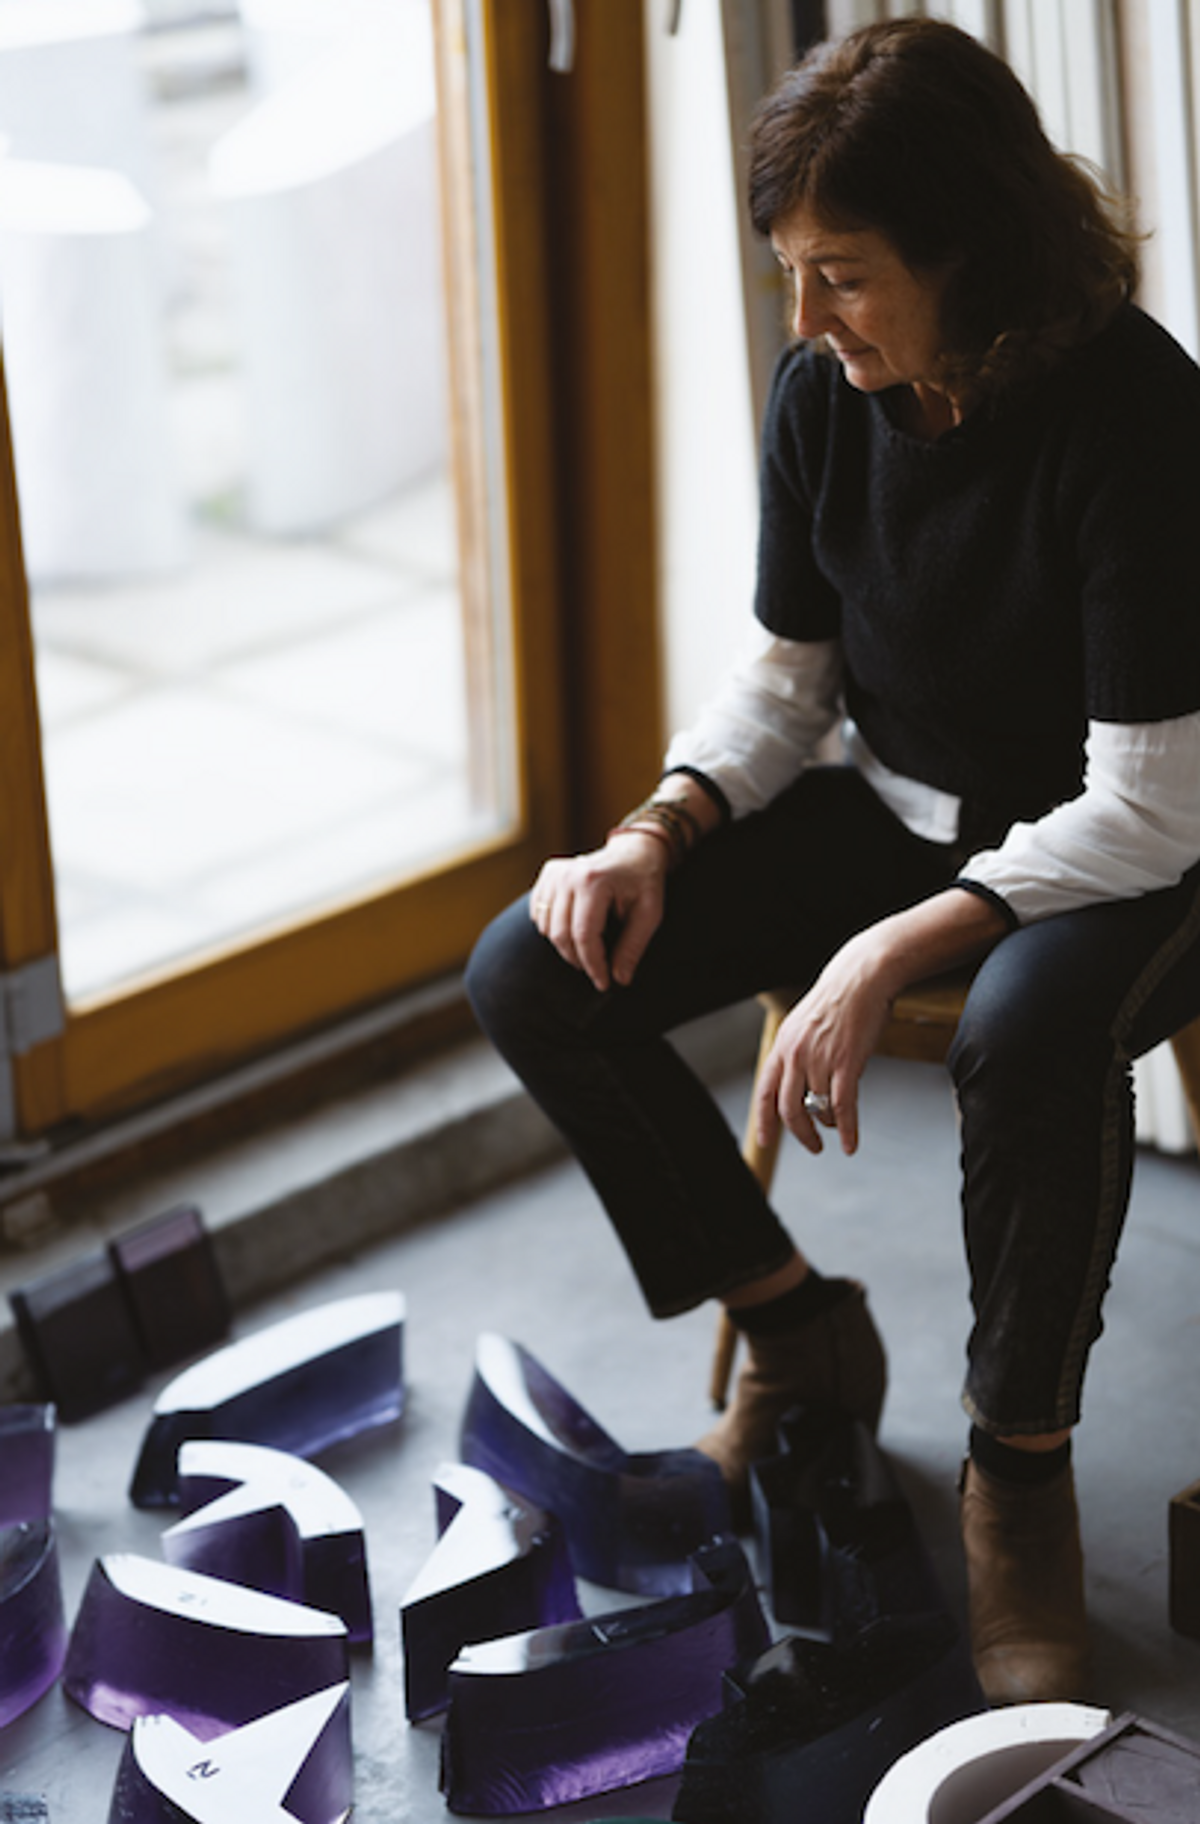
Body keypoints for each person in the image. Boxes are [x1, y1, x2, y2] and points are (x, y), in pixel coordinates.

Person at [465, 16, 1200, 1706]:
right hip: (919, 811)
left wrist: (883, 949)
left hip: (1136, 853)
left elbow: (1151, 801)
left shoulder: (1137, 418)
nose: (804, 322)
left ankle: (1015, 1475)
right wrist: (656, 828)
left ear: (974, 252)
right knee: (536, 964)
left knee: (1023, 1033)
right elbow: (791, 678)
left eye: (845, 277)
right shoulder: (827, 391)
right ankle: (799, 1334)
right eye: (793, 274)